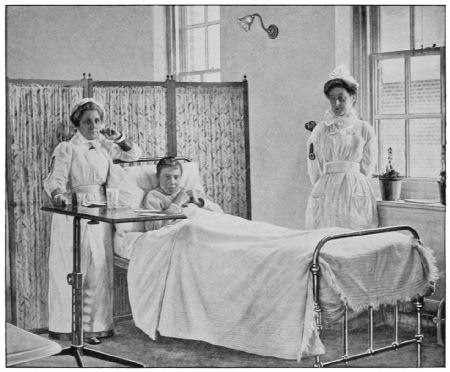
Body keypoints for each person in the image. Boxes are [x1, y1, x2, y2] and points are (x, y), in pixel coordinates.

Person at [43, 97, 142, 344]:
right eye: (88, 121)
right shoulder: (67, 148)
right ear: (78, 123)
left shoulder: (105, 146)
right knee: (75, 267)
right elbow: (55, 180)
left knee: (99, 269)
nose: (94, 125)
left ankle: (96, 328)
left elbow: (134, 156)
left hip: (100, 210)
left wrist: (118, 138)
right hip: (74, 212)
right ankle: (71, 328)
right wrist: (58, 196)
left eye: (97, 121)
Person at [305, 65, 378, 230]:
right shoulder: (321, 130)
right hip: (327, 187)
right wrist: (320, 183)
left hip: (356, 187)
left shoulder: (364, 129)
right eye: (332, 98)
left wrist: (353, 177)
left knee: (355, 232)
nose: (336, 103)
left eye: (341, 98)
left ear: (352, 97)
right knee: (326, 231)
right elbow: (313, 161)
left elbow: (367, 167)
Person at [143, 157, 222, 231]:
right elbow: (152, 228)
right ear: (158, 177)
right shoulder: (154, 196)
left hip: (205, 225)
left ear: (181, 177)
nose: (172, 182)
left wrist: (199, 202)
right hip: (185, 231)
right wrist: (177, 203)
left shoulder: (189, 192)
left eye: (176, 177)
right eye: (167, 177)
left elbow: (219, 213)